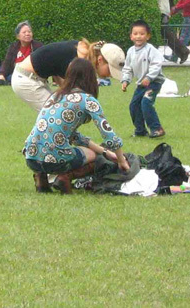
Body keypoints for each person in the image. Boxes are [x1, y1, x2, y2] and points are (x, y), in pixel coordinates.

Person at [23, 58, 129, 194]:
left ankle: (41, 178)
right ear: (90, 77)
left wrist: (106, 152)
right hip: (55, 160)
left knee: (65, 148)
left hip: (31, 157)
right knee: (93, 156)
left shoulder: (55, 95)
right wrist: (121, 160)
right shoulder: (88, 100)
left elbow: (73, 136)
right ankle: (65, 177)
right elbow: (109, 136)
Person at [12, 38, 125, 111]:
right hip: (26, 80)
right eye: (110, 70)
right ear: (100, 60)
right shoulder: (78, 62)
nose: (109, 75)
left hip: (34, 78)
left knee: (55, 115)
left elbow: (57, 69)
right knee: (55, 114)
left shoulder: (81, 50)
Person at [120, 20, 167, 138]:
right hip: (141, 83)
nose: (138, 36)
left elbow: (157, 64)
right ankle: (140, 130)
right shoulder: (131, 51)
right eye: (135, 34)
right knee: (134, 105)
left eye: (142, 34)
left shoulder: (151, 50)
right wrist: (125, 81)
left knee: (146, 102)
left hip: (154, 82)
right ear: (131, 36)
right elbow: (127, 68)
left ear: (148, 36)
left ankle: (157, 129)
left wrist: (149, 77)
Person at [0, 21, 42, 86]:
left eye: (29, 32)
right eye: (24, 32)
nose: (27, 34)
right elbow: (6, 62)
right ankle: (2, 81)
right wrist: (1, 75)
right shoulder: (14, 47)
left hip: (26, 74)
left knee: (11, 77)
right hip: (13, 71)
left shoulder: (38, 46)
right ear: (18, 36)